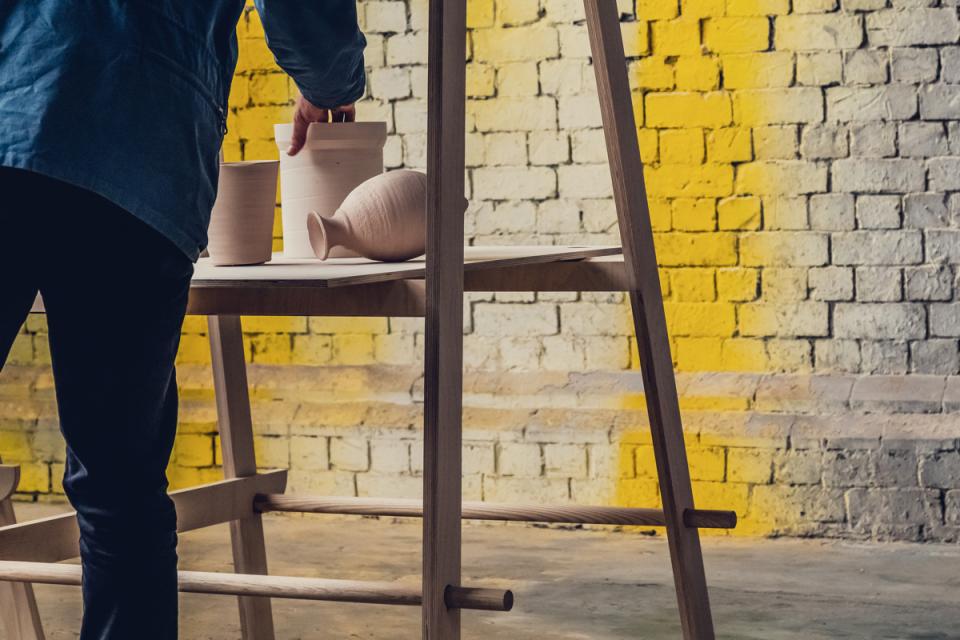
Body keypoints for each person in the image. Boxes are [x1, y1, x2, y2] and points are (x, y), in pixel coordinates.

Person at [0, 2, 366, 638]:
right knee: (119, 488)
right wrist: (329, 84)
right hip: (140, 142)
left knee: (121, 489)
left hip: (17, 97)